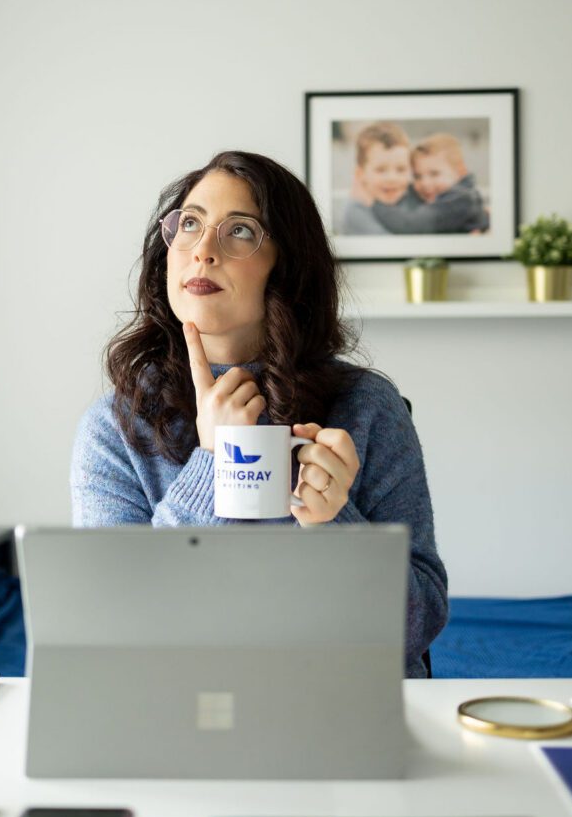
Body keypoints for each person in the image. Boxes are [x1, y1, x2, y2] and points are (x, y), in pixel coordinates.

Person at [70, 150, 448, 677]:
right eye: (190, 224)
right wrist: (211, 462)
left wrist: (335, 527)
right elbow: (113, 628)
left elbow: (420, 624)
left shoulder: (365, 407)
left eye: (240, 232)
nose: (202, 250)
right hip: (184, 707)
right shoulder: (115, 427)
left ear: (286, 266)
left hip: (338, 701)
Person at [372, 133, 490, 235]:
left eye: (434, 174)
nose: (425, 183)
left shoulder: (462, 200)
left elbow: (410, 225)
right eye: (417, 176)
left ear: (460, 172)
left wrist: (373, 202)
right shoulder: (435, 194)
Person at [340, 122, 413, 235]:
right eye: (381, 170)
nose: (392, 178)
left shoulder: (412, 201)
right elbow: (390, 249)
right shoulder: (356, 212)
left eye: (401, 169)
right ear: (360, 174)